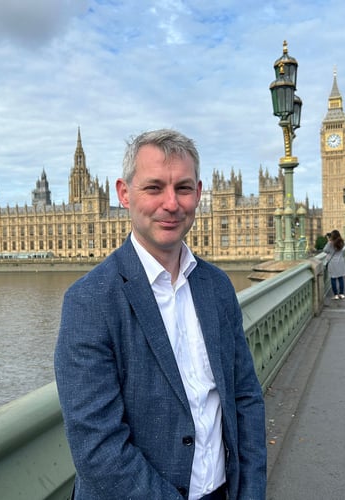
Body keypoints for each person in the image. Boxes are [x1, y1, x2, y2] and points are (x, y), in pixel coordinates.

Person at [54, 129, 266, 500]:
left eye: (183, 188)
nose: (171, 203)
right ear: (123, 194)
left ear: (199, 194)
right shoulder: (89, 301)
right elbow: (97, 449)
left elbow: (245, 399)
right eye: (153, 188)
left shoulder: (217, 286)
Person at [324, 229, 345, 299]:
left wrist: (328, 241)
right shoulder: (342, 242)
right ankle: (342, 293)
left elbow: (325, 250)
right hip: (340, 262)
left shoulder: (330, 243)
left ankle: (336, 295)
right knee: (340, 278)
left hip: (332, 263)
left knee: (333, 278)